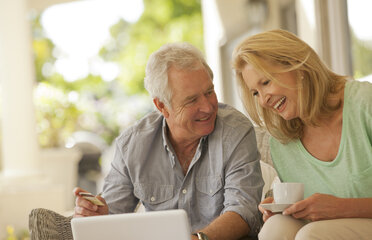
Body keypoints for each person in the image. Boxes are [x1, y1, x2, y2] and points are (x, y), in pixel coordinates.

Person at [74, 42, 264, 240]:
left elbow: (244, 211)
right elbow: (113, 218)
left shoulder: (236, 132)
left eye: (209, 92)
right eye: (192, 100)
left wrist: (198, 239)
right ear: (162, 106)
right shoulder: (132, 145)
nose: (207, 107)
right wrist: (97, 216)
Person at [232, 29, 372, 240]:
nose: (262, 101)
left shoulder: (364, 104)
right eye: (255, 93)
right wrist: (288, 207)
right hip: (329, 231)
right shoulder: (282, 142)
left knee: (311, 235)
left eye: (266, 82)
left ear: (298, 66)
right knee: (276, 228)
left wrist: (341, 207)